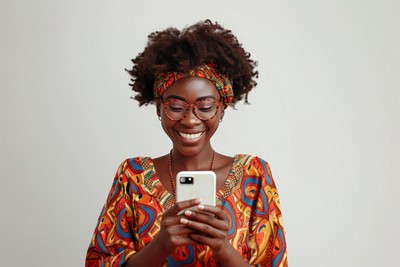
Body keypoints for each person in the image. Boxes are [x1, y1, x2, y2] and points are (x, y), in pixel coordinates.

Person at [85, 20, 288, 267]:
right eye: (176, 106)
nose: (190, 120)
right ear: (159, 108)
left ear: (222, 109)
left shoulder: (254, 175)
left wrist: (223, 249)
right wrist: (161, 246)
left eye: (204, 107)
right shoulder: (132, 176)